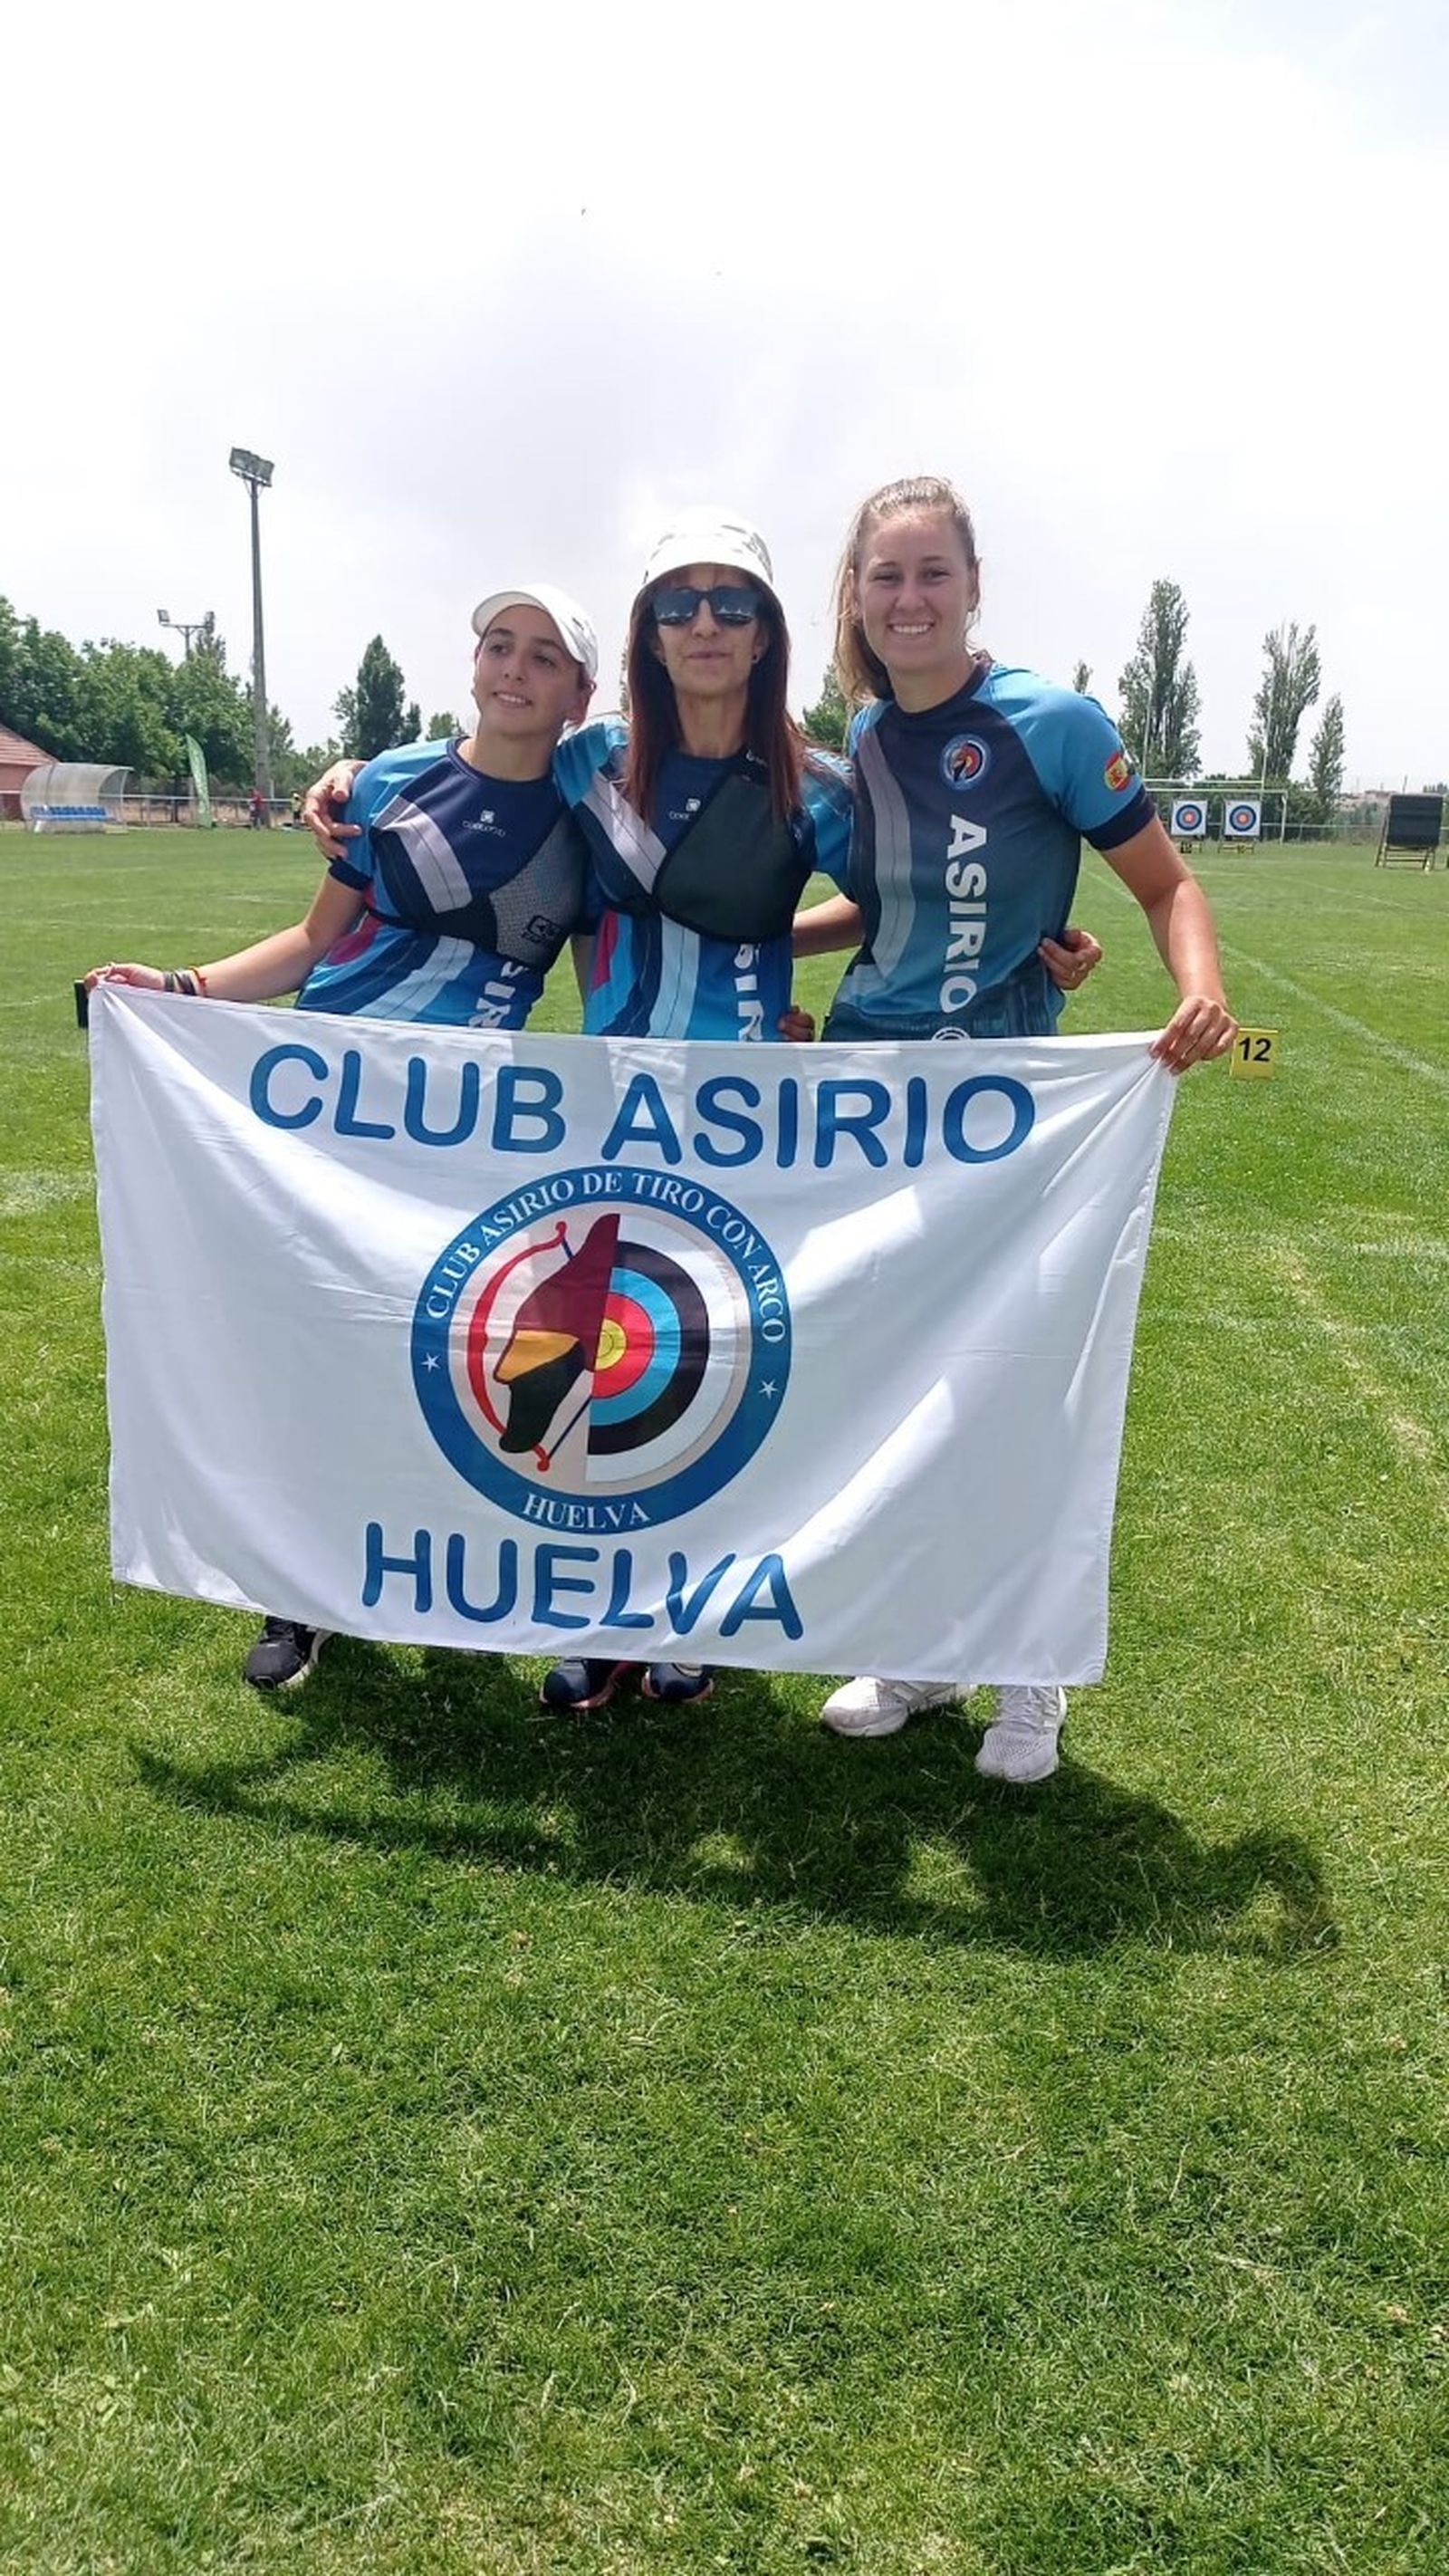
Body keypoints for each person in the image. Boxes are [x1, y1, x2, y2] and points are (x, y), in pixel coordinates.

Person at [796, 474, 1236, 1782]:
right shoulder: (860, 741)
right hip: (873, 1104)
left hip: (1012, 1118)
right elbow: (880, 916)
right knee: (897, 1385)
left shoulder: (1051, 724)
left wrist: (1201, 988)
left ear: (973, 585)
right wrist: (757, 950)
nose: (910, 598)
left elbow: (1167, 882)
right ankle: (924, 1652)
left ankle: (1030, 1680)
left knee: (1019, 1385)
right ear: (859, 600)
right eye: (887, 578)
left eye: (933, 573)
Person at [87, 580, 601, 1688]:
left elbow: (621, 971)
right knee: (314, 1341)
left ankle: (429, 1569)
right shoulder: (386, 782)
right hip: (332, 1111)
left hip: (464, 1129)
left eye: (544, 657)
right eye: (499, 646)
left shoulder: (590, 815)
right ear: (472, 664)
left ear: (577, 693)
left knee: (447, 1354)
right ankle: (300, 1594)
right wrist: (178, 985)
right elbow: (314, 943)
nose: (514, 668)